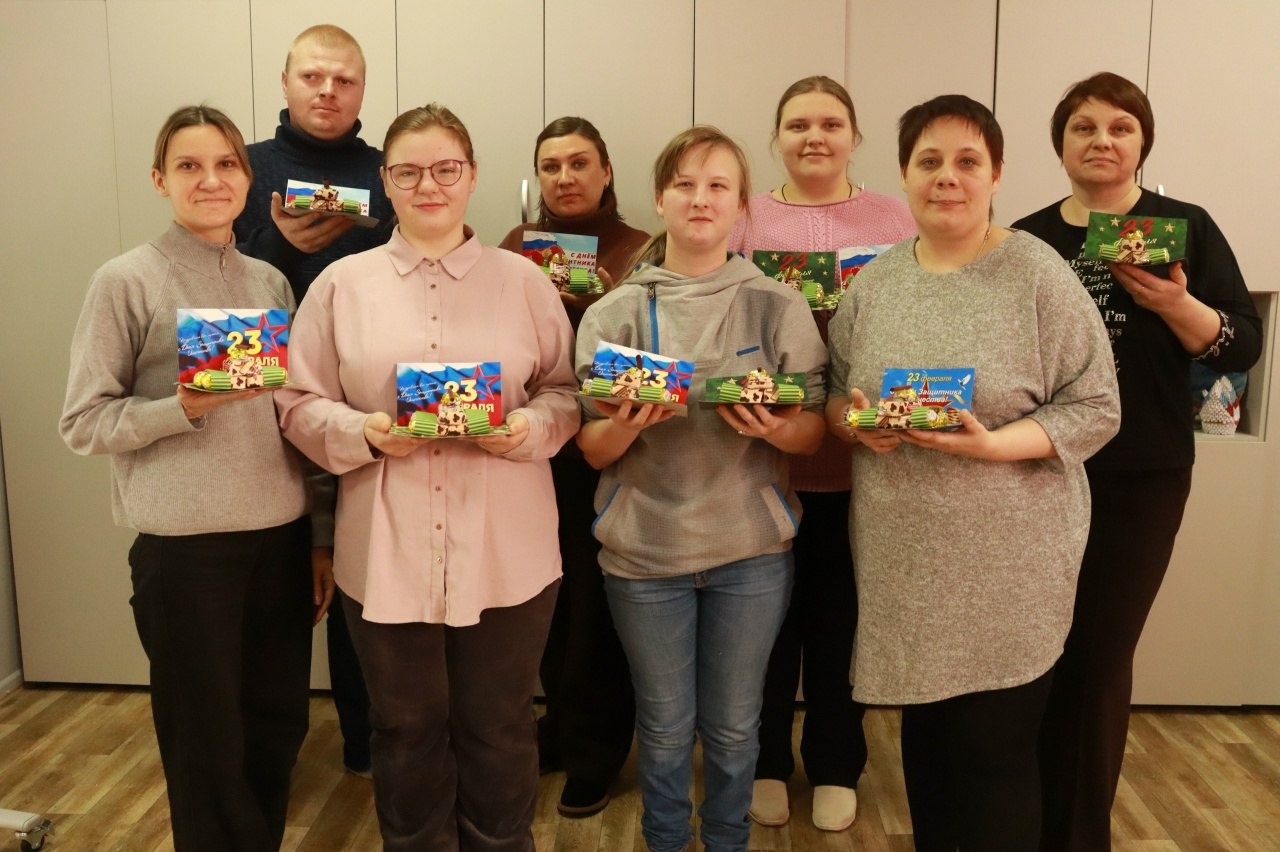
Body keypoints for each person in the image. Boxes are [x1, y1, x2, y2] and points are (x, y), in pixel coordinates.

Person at [275, 103, 579, 851]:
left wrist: (528, 428)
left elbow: (566, 394)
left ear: (472, 176)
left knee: (499, 726)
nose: (428, 185)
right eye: (408, 172)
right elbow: (296, 403)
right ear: (385, 182)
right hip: (385, 549)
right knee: (404, 729)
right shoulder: (341, 285)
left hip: (508, 551)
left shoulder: (525, 282)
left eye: (446, 169)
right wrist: (364, 433)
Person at [824, 95, 1120, 851]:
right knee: (927, 754)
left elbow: (1096, 407)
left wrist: (994, 446)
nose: (947, 177)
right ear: (903, 174)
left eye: (967, 162)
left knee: (992, 754)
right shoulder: (878, 282)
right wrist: (857, 424)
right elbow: (835, 393)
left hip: (1010, 564)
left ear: (996, 175)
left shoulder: (1036, 274)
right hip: (906, 561)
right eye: (929, 161)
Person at [1010, 72, 1262, 852]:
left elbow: (1241, 347)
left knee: (1099, 655)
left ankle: (1076, 837)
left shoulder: (1184, 226)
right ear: (1059, 144)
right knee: (1031, 652)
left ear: (1142, 142)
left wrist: (1175, 303)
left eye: (1120, 127)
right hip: (1034, 467)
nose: (1102, 140)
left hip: (1143, 473)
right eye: (1084, 127)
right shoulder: (1024, 239)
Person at [60, 105, 316, 852]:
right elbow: (83, 422)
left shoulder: (270, 282)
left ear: (248, 176)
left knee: (277, 725)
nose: (211, 180)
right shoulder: (126, 280)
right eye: (189, 166)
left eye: (226, 164)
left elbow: (293, 417)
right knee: (207, 742)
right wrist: (183, 408)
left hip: (279, 536)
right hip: (186, 550)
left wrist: (319, 535)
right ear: (159, 180)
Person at [576, 126, 828, 852]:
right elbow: (591, 447)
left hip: (750, 554)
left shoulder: (776, 303)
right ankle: (663, 840)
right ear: (660, 198)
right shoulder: (615, 312)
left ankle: (726, 840)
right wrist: (625, 426)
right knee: (661, 727)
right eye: (684, 184)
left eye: (718, 186)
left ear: (742, 205)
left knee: (735, 726)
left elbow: (813, 430)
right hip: (642, 555)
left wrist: (776, 428)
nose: (700, 199)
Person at [728, 75, 915, 832]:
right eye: (798, 124)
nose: (814, 136)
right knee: (763, 629)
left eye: (831, 123)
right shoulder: (744, 217)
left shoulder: (894, 217)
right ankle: (766, 760)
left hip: (864, 462)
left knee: (842, 625)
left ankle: (838, 761)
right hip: (761, 461)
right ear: (776, 137)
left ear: (854, 136)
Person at [233, 23, 393, 778]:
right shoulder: (243, 167)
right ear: (286, 81)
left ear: (362, 90)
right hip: (253, 401)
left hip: (363, 403)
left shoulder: (389, 172)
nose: (328, 91)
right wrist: (279, 247)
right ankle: (265, 758)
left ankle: (367, 745)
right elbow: (214, 280)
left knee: (360, 575)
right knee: (274, 582)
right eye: (312, 77)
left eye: (344, 80)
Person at [497, 117, 649, 816]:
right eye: (551, 166)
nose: (565, 177)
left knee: (595, 607)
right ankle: (556, 727)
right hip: (529, 449)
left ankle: (596, 749)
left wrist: (608, 304)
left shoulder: (642, 248)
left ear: (607, 171)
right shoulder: (515, 247)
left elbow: (658, 350)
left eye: (579, 163)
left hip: (611, 451)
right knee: (543, 602)